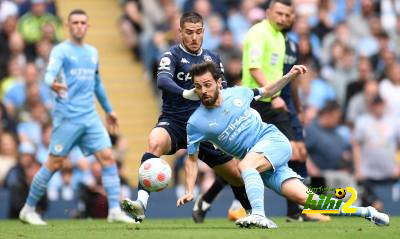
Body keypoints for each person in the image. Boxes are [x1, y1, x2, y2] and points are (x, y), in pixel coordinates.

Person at [176, 61, 390, 229]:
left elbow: (267, 91)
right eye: (198, 87)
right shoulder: (196, 123)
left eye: (207, 84)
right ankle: (367, 212)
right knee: (310, 201)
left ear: (218, 83)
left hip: (272, 141)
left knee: (245, 166)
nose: (203, 90)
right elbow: (192, 159)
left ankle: (258, 214)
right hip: (261, 164)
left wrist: (290, 76)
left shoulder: (238, 92)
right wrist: (188, 189)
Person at [121, 12, 252, 223]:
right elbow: (162, 80)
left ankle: (254, 214)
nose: (194, 37)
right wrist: (184, 92)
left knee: (235, 175)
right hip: (175, 122)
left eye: (198, 32)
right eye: (189, 32)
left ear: (203, 32)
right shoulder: (171, 56)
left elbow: (223, 91)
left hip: (204, 126)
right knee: (155, 142)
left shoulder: (212, 58)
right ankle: (141, 205)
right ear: (180, 32)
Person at [18, 9, 136, 225]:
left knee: (108, 158)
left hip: (90, 116)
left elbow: (97, 83)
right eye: (75, 22)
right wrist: (51, 83)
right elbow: (49, 74)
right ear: (68, 25)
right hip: (68, 117)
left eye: (83, 22)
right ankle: (28, 209)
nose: (79, 26)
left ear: (87, 26)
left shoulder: (92, 52)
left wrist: (109, 110)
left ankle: (113, 211)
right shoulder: (61, 50)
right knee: (53, 163)